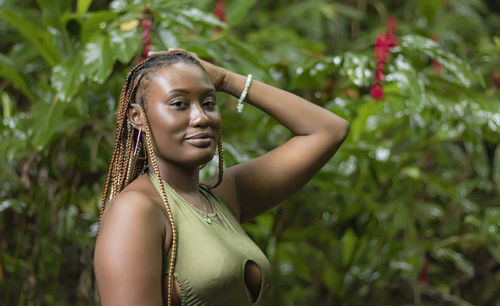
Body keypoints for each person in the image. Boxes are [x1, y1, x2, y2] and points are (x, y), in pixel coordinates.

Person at [93, 49, 349, 306]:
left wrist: (228, 80)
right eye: (179, 104)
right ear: (137, 117)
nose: (201, 118)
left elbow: (329, 130)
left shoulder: (224, 197)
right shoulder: (136, 210)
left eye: (208, 103)